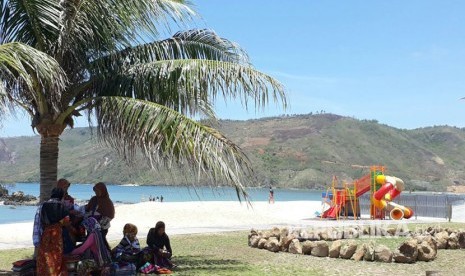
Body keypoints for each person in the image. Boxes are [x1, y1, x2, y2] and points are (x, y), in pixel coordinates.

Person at [35, 188, 70, 276]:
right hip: (57, 234)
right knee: (55, 257)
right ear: (61, 196)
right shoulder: (63, 206)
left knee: (45, 257)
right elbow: (67, 221)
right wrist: (59, 224)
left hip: (46, 233)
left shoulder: (43, 205)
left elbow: (39, 222)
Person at [85, 182, 115, 250]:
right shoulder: (93, 199)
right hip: (91, 225)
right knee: (90, 241)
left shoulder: (107, 201)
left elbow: (110, 215)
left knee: (102, 242)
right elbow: (87, 209)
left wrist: (99, 224)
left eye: (98, 191)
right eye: (95, 191)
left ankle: (107, 255)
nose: (96, 193)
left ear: (103, 191)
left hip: (102, 227)